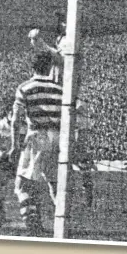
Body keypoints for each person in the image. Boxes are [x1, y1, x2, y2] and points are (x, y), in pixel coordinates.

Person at [29, 11, 94, 208]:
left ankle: (82, 191)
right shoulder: (64, 43)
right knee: (61, 160)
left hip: (68, 104)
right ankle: (71, 198)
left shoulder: (70, 44)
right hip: (63, 104)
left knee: (72, 155)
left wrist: (37, 41)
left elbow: (58, 57)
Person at [8, 51, 64, 237]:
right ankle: (62, 224)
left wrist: (15, 146)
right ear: (49, 67)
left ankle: (33, 227)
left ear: (32, 67)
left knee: (22, 185)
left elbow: (16, 119)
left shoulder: (26, 87)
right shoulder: (60, 89)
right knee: (55, 184)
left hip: (37, 136)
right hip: (58, 137)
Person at [0, 110, 26, 228]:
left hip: (21, 161)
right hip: (4, 161)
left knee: (28, 188)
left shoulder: (25, 126)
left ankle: (33, 220)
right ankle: (0, 215)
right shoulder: (0, 126)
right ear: (8, 113)